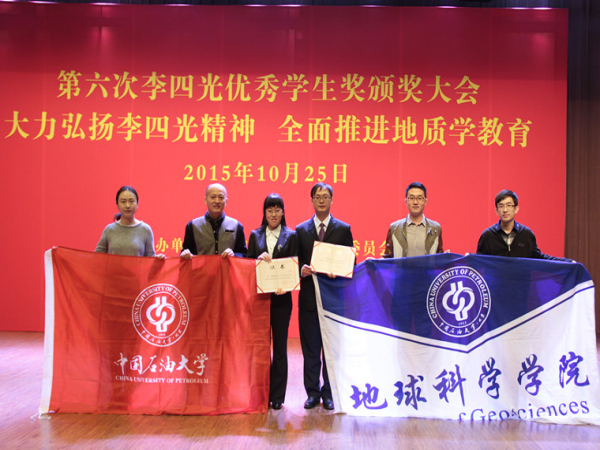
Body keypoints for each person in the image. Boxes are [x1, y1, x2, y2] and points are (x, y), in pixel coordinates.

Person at [296, 182, 354, 411]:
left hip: (334, 301)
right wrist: (301, 269)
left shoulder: (343, 229)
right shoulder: (301, 230)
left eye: (325, 196)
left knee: (331, 350)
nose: (321, 200)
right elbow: (295, 261)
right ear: (311, 200)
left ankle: (329, 393)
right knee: (311, 350)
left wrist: (338, 270)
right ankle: (312, 393)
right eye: (317, 196)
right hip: (309, 299)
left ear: (331, 200)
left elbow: (351, 262)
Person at [247, 194, 298, 411]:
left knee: (279, 348)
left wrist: (286, 286)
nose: (274, 214)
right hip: (259, 299)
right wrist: (256, 260)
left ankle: (277, 395)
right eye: (270, 210)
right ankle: (259, 394)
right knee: (258, 347)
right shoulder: (255, 235)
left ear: (283, 212)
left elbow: (294, 265)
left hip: (281, 299)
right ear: (264, 213)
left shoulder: (291, 235)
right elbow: (246, 264)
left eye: (277, 210)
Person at [476, 189, 572, 261]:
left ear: (516, 209)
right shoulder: (488, 235)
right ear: (496, 211)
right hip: (496, 283)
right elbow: (478, 262)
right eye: (501, 206)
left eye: (509, 205)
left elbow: (539, 258)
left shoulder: (526, 234)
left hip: (521, 282)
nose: (505, 210)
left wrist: (566, 262)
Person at [180, 183, 247, 259]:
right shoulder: (193, 226)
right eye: (213, 197)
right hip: (202, 267)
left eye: (221, 197)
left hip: (227, 267)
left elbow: (244, 255)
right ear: (206, 200)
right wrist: (185, 254)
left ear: (226, 201)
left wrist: (234, 255)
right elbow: (185, 253)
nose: (217, 201)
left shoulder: (236, 226)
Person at [95, 186, 161, 257]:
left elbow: (150, 258)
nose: (127, 205)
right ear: (117, 204)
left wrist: (158, 259)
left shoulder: (145, 230)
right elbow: (97, 257)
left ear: (137, 203)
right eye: (123, 202)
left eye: (131, 201)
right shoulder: (109, 230)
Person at [382, 181, 444, 258]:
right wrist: (373, 262)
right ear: (406, 201)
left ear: (425, 201)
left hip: (426, 267)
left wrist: (446, 258)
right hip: (402, 267)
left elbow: (439, 258)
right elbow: (387, 258)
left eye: (419, 198)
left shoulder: (435, 228)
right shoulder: (395, 228)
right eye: (411, 198)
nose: (415, 202)